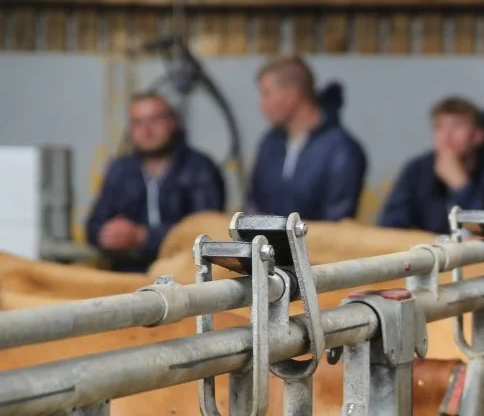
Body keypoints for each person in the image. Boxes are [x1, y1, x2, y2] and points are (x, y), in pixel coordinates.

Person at [86, 92, 226, 272]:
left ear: (172, 122)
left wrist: (144, 237)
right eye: (138, 122)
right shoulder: (120, 170)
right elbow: (94, 223)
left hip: (186, 276)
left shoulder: (199, 169)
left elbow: (206, 232)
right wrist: (105, 234)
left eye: (155, 120)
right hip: (127, 276)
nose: (147, 130)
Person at [247, 56, 367, 221]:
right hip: (267, 246)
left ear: (292, 95)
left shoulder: (341, 150)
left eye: (266, 94)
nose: (261, 104)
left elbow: (337, 220)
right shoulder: (270, 143)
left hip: (317, 246)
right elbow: (253, 206)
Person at [377, 96, 484, 233]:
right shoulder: (417, 170)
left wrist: (461, 186)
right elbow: (390, 227)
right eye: (439, 127)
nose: (446, 135)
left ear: (478, 135)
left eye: (457, 126)